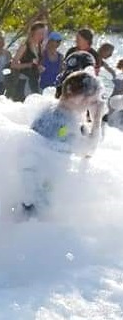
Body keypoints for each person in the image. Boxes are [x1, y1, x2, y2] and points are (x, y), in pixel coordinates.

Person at [22, 70, 108, 217]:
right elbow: (88, 151)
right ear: (79, 99)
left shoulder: (53, 111)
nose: (93, 105)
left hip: (35, 188)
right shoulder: (64, 124)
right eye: (92, 101)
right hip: (40, 198)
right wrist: (97, 119)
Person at [10, 21, 46, 100]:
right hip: (23, 82)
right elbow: (13, 65)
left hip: (35, 81)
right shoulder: (24, 46)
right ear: (33, 33)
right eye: (39, 33)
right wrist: (28, 65)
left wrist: (39, 67)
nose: (41, 36)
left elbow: (36, 64)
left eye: (43, 34)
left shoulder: (40, 47)